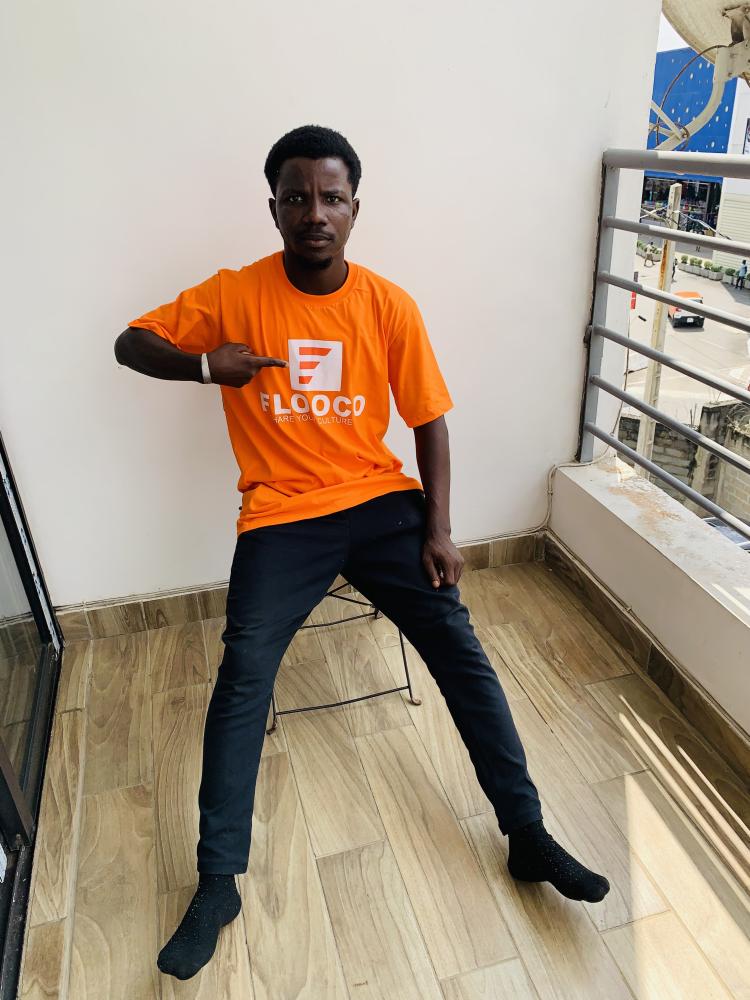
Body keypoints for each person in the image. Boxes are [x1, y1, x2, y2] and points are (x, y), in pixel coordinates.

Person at [115, 125, 610, 982]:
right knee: (243, 672)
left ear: (354, 209)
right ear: (274, 208)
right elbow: (129, 343)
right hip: (281, 516)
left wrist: (439, 529)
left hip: (380, 505)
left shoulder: (388, 304)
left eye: (332, 198)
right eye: (297, 197)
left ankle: (526, 833)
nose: (315, 212)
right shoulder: (234, 294)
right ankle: (218, 882)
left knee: (459, 648)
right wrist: (203, 368)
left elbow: (429, 422)